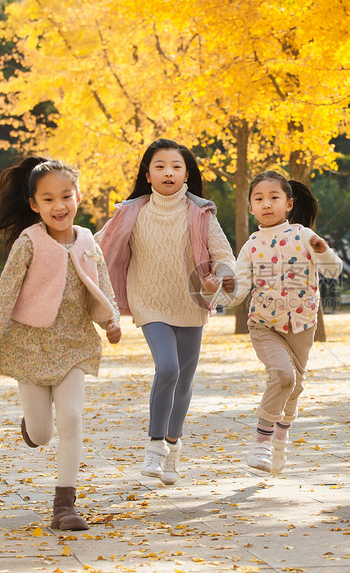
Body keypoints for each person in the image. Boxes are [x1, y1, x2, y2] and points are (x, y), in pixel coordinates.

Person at [0, 157, 121, 530]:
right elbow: (4, 294)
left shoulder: (87, 240)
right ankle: (32, 426)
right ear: (35, 205)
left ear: (78, 196)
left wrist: (111, 321)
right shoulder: (30, 241)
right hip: (29, 345)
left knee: (71, 419)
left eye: (66, 196)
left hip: (74, 343)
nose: (60, 206)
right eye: (49, 199)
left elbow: (101, 284)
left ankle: (64, 506)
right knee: (42, 434)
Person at [96, 139, 234, 485]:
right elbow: (96, 247)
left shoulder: (200, 211)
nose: (168, 172)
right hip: (149, 301)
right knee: (168, 368)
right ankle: (155, 447)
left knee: (184, 380)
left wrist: (225, 275)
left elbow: (223, 254)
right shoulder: (131, 211)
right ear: (148, 174)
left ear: (187, 173)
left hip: (190, 301)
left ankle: (174, 447)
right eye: (159, 166)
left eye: (175, 166)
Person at [209, 170, 342, 475]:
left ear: (289, 203)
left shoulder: (304, 235)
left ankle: (280, 442)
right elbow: (238, 293)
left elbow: (333, 272)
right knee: (283, 376)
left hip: (303, 324)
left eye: (274, 197)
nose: (267, 204)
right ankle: (261, 442)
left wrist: (323, 252)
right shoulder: (251, 245)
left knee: (294, 388)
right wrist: (224, 289)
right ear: (251, 208)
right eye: (259, 199)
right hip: (264, 325)